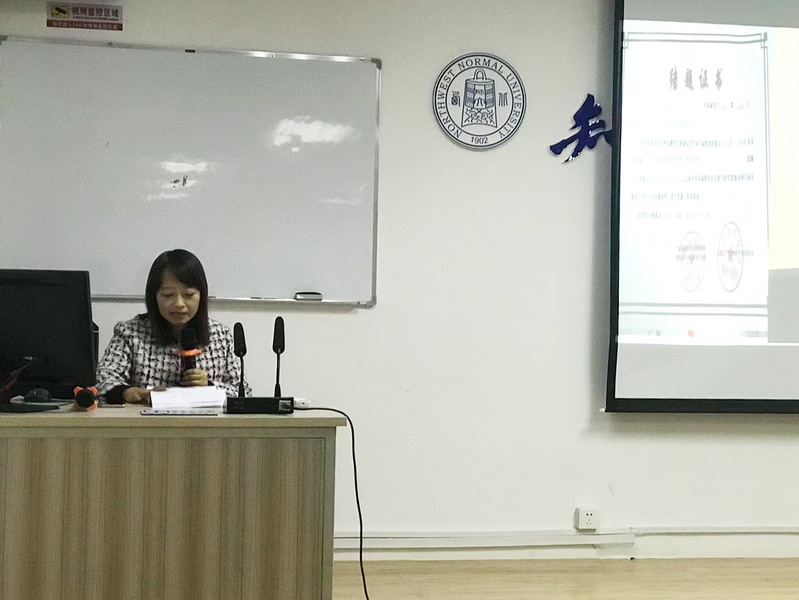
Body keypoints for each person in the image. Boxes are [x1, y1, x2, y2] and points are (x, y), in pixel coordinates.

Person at [97, 249, 250, 403]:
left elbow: (243, 392)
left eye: (188, 295)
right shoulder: (131, 333)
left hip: (205, 418)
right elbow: (103, 380)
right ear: (154, 296)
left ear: (201, 296)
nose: (179, 303)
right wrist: (129, 392)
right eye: (168, 295)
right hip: (146, 417)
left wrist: (209, 385)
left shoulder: (220, 335)